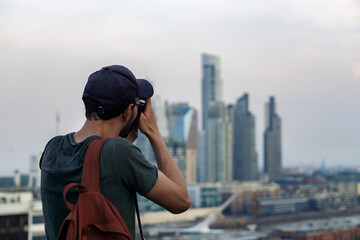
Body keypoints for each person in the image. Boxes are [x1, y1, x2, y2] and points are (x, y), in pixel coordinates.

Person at [40, 65, 191, 240]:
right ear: (128, 111)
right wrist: (153, 133)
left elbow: (95, 169)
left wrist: (124, 144)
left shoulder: (52, 148)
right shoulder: (119, 153)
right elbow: (181, 201)